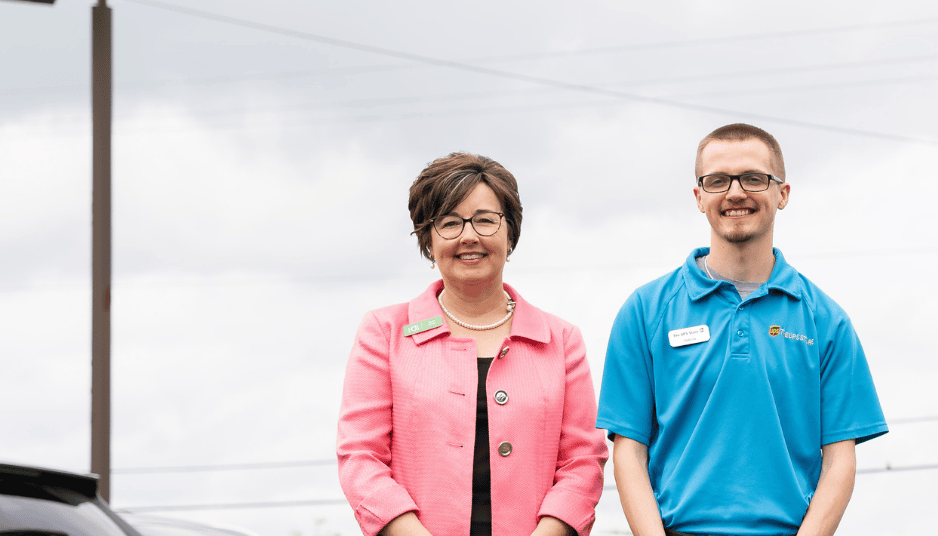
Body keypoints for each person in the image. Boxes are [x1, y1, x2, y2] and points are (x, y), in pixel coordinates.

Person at [597, 124, 888, 536]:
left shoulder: (826, 320)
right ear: (699, 198)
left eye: (753, 178)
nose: (735, 193)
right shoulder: (645, 312)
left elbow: (840, 459)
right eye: (717, 181)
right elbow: (628, 449)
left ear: (782, 193)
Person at [338, 153, 607, 536]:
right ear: (427, 242)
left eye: (485, 220)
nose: (469, 236)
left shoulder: (561, 340)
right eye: (449, 223)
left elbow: (583, 461)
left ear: (509, 233)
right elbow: (360, 457)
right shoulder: (383, 332)